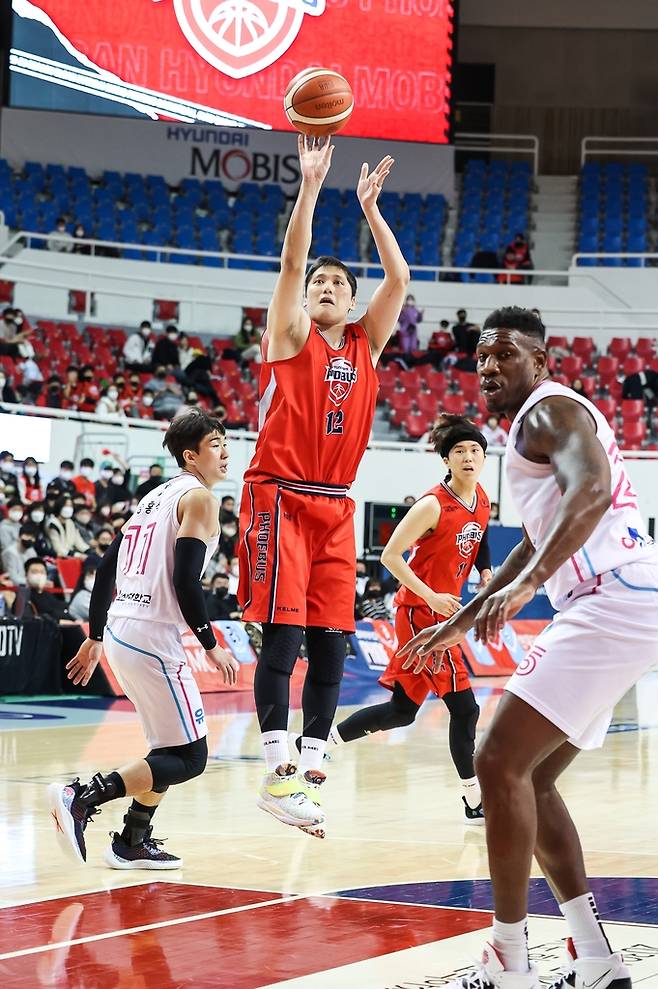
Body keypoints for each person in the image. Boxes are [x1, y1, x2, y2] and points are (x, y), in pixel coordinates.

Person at [400, 306, 658, 989]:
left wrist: (531, 587)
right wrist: (471, 614)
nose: (488, 366)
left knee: (495, 759)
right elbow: (530, 539)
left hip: (608, 599)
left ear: (541, 361)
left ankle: (507, 961)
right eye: (482, 357)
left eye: (505, 354)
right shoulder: (542, 423)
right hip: (626, 601)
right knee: (533, 778)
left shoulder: (546, 410)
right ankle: (596, 957)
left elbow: (594, 490)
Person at [237, 134, 409, 839]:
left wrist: (370, 208)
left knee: (334, 643)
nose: (328, 287)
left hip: (336, 505)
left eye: (338, 282)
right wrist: (310, 189)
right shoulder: (289, 336)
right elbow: (289, 259)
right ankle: (275, 769)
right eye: (319, 284)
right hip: (280, 492)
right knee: (283, 643)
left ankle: (309, 770)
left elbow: (397, 281)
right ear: (306, 300)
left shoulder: (367, 341)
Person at [48, 409, 239, 869]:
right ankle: (83, 796)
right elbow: (186, 581)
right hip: (153, 635)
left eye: (225, 441)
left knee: (168, 750)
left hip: (122, 629)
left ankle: (133, 839)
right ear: (191, 456)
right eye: (215, 444)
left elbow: (106, 566)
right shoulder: (200, 499)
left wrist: (96, 636)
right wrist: (211, 643)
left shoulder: (154, 497)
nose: (226, 451)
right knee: (191, 758)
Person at [323, 415, 491, 825]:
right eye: (459, 452)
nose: (469, 457)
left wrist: (484, 572)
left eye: (475, 451)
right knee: (465, 709)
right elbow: (390, 556)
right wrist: (431, 593)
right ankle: (474, 800)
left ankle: (322, 741)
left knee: (402, 710)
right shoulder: (432, 503)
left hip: (446, 614)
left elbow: (480, 535)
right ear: (446, 461)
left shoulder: (482, 498)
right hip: (419, 614)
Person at [1, 521, 38, 586]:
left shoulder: (31, 551)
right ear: (19, 537)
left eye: (32, 537)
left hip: (30, 584)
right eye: (27, 535)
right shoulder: (9, 552)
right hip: (15, 587)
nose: (30, 539)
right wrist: (33, 582)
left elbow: (35, 570)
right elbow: (13, 578)